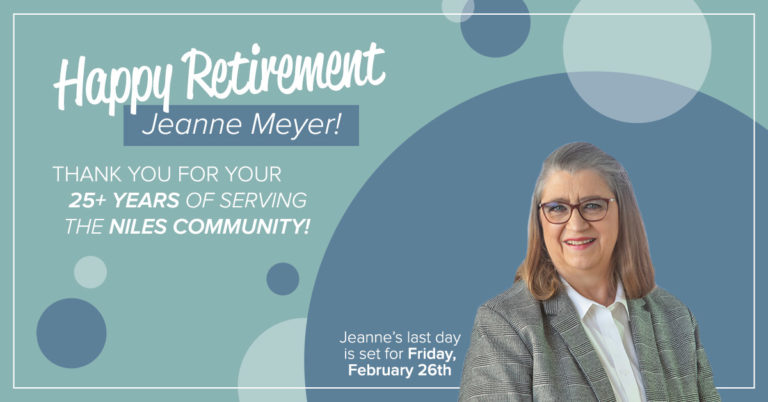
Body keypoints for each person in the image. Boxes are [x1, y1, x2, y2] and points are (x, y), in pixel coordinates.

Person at [458, 142, 720, 402]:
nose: (576, 224)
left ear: (623, 212)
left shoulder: (676, 317)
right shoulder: (505, 324)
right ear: (540, 221)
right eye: (557, 208)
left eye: (592, 205)